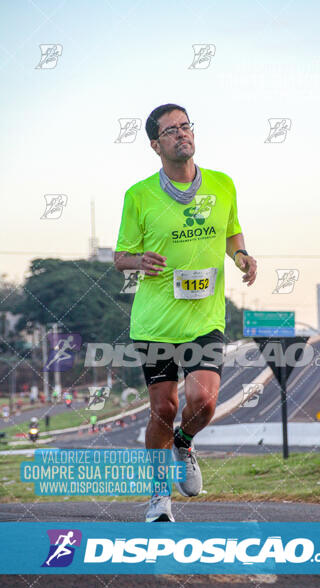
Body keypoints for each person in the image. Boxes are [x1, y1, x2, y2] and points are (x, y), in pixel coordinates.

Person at [114, 103, 257, 522]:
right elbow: (120, 256)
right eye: (171, 130)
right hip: (155, 323)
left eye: (185, 126)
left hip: (204, 320)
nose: (182, 134)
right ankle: (159, 496)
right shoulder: (138, 196)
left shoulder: (222, 184)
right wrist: (140, 261)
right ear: (156, 144)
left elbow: (231, 230)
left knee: (204, 401)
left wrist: (242, 255)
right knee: (163, 407)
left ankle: (185, 442)